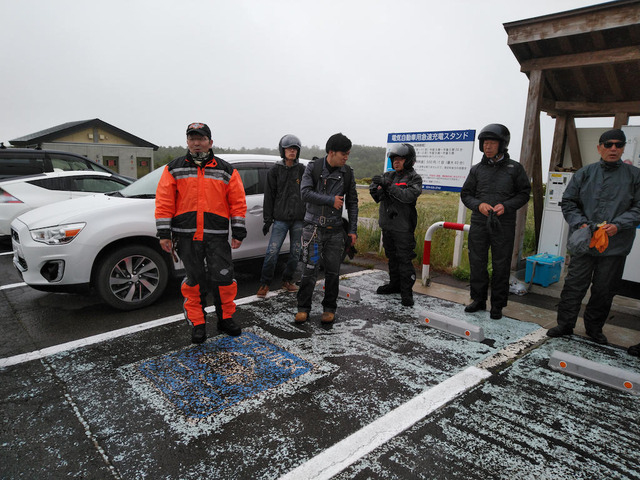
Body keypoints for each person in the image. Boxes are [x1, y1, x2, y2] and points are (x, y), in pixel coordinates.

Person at [155, 122, 247, 344]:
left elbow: (237, 202)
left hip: (216, 236)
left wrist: (238, 231)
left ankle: (225, 319)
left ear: (210, 142)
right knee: (194, 281)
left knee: (224, 280)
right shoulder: (173, 168)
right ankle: (198, 324)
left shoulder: (226, 170)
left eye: (201, 138)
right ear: (187, 142)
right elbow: (164, 201)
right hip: (186, 237)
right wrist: (164, 233)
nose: (197, 143)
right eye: (192, 138)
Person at [547, 129, 640, 345]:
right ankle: (565, 324)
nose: (613, 148)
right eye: (608, 144)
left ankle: (594, 328)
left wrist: (619, 225)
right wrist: (580, 223)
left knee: (604, 289)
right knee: (574, 284)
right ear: (599, 148)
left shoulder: (635, 176)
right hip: (584, 241)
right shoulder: (585, 173)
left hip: (615, 245)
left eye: (618, 144)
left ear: (624, 147)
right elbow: (568, 201)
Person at [460, 124, 531, 320]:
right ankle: (478, 300)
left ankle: (498, 305)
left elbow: (524, 193)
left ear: (502, 145)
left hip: (503, 223)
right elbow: (466, 194)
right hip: (479, 222)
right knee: (477, 262)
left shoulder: (514, 168)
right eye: (485, 143)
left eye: (492, 143)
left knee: (501, 265)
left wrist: (507, 206)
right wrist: (479, 205)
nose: (488, 147)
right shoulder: (476, 170)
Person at [295, 133, 358, 324]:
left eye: (348, 154)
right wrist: (331, 200)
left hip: (335, 230)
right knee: (309, 269)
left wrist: (352, 230)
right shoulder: (312, 168)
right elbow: (305, 193)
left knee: (332, 271)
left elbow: (353, 203)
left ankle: (329, 308)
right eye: (343, 154)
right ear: (331, 152)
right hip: (313, 228)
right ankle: (303, 308)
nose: (346, 157)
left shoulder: (347, 172)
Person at [370, 143, 423, 306]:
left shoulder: (414, 178)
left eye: (400, 159)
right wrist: (375, 188)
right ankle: (394, 285)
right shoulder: (389, 175)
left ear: (409, 161)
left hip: (403, 227)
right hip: (388, 225)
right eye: (394, 159)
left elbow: (408, 196)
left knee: (404, 259)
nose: (396, 162)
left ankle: (407, 292)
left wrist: (387, 186)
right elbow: (378, 196)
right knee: (391, 257)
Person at [256, 134, 306, 298]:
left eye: (295, 149)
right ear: (282, 150)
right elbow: (269, 197)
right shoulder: (274, 171)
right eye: (289, 148)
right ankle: (265, 283)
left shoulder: (302, 170)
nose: (292, 151)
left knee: (295, 253)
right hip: (280, 220)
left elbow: (308, 193)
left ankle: (287, 280)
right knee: (272, 252)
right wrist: (267, 219)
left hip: (298, 219)